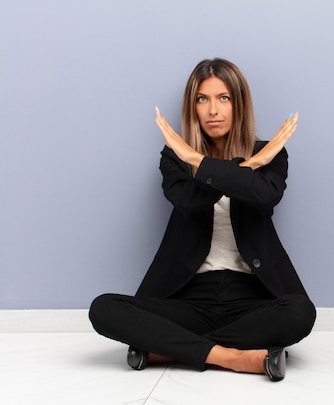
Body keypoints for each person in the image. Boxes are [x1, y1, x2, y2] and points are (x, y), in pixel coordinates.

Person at [89, 58, 316, 382]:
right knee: (103, 308)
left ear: (238, 103)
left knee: (300, 313)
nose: (213, 110)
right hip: (187, 298)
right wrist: (240, 164)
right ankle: (234, 358)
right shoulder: (176, 158)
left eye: (223, 98)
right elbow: (189, 201)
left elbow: (265, 196)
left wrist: (208, 161)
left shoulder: (271, 153)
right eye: (202, 99)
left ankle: (166, 350)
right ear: (192, 107)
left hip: (251, 298)